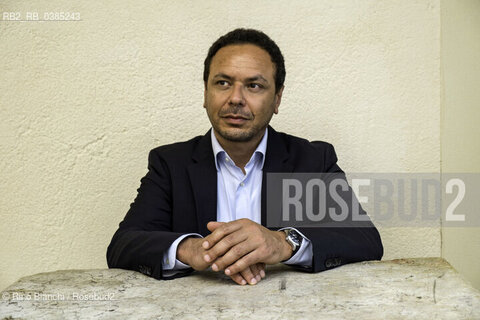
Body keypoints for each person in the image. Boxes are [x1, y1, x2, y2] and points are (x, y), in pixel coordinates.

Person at [107, 28, 383, 286]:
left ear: (277, 99)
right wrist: (190, 249)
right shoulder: (170, 163)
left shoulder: (312, 160)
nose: (235, 98)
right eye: (223, 82)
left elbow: (364, 239)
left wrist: (281, 243)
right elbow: (124, 245)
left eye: (254, 86)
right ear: (206, 93)